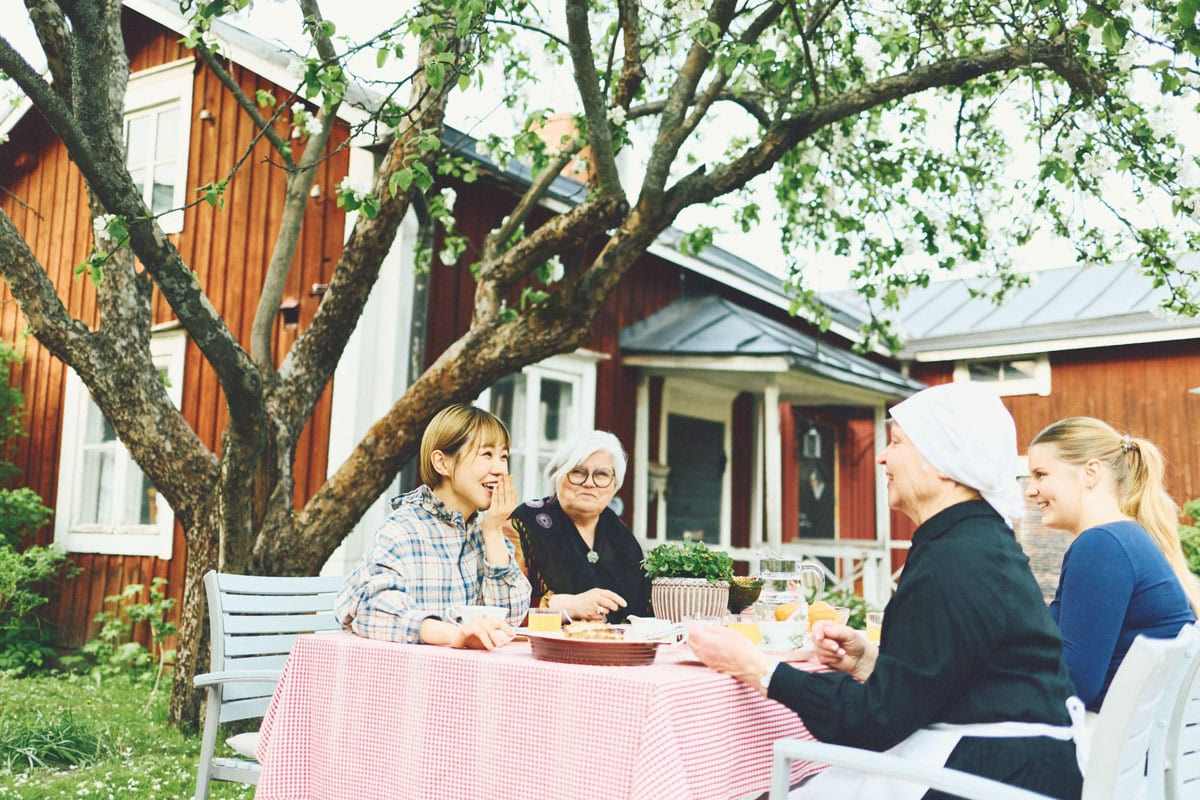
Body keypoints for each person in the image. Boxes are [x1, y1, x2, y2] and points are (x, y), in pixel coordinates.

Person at [688, 382, 1082, 800]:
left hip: (990, 777)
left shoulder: (955, 559)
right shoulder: (974, 542)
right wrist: (869, 661)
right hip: (1020, 767)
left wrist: (754, 668)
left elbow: (872, 723)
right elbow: (955, 676)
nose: (881, 456)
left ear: (943, 462)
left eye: (896, 442)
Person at [1027, 417, 1198, 711]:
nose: (1030, 490)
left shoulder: (1101, 545)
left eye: (1041, 474)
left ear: (1091, 473)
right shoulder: (1125, 538)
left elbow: (1075, 685)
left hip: (1108, 747)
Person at [335, 404, 531, 649]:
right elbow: (370, 607)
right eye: (487, 455)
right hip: (409, 677)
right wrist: (452, 634)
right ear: (442, 463)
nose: (501, 470)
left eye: (503, 457)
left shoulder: (486, 531)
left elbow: (510, 618)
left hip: (470, 676)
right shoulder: (404, 528)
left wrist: (493, 532)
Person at [504, 430, 651, 623]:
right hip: (544, 648)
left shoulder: (623, 538)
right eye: (578, 472)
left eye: (602, 474)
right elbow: (507, 612)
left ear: (614, 484)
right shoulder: (523, 524)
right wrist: (569, 608)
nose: (589, 483)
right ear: (557, 475)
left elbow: (645, 614)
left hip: (616, 649)